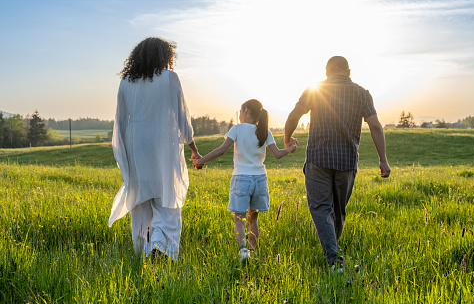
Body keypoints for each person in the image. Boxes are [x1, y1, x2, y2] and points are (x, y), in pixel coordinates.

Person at [284, 56, 390, 272]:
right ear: (348, 71)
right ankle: (334, 255)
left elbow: (295, 114)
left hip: (318, 158)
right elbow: (376, 127)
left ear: (326, 72)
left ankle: (333, 258)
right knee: (339, 210)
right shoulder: (362, 94)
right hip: (346, 160)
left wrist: (287, 138)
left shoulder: (314, 90)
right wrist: (383, 160)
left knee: (321, 208)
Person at [108, 37, 201, 262]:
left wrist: (124, 155)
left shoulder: (125, 82)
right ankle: (161, 248)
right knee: (167, 200)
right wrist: (194, 150)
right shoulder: (170, 78)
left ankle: (142, 254)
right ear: (165, 57)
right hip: (162, 147)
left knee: (140, 202)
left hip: (135, 146)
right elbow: (182, 119)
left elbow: (119, 122)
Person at [193, 99, 297, 263]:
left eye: (241, 111)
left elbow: (221, 150)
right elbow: (277, 154)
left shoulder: (237, 129)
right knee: (253, 218)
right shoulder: (265, 132)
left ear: (246, 110)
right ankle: (253, 251)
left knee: (239, 218)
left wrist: (201, 161)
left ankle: (243, 251)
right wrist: (290, 148)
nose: (240, 114)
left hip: (242, 179)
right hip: (260, 180)